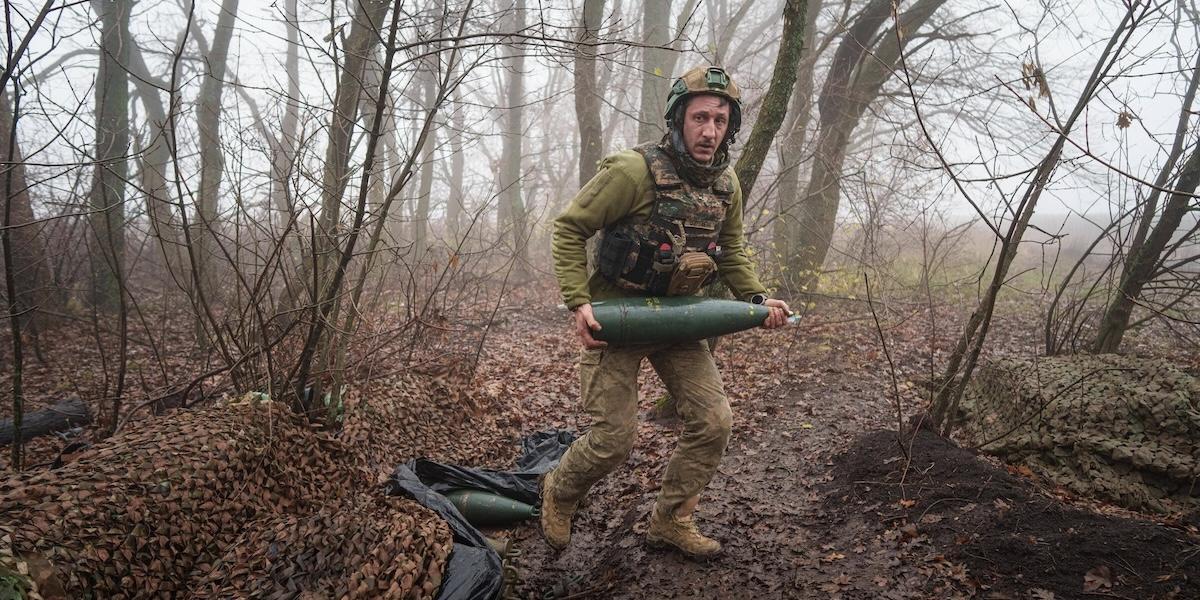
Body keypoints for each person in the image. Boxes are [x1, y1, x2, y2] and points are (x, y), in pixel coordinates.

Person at [544, 65, 790, 560]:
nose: (710, 131)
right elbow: (569, 229)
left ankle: (671, 521)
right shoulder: (632, 172)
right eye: (700, 118)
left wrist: (758, 299)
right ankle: (559, 490)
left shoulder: (725, 184)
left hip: (679, 319)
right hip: (617, 317)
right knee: (613, 440)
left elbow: (733, 248)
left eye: (721, 121)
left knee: (714, 421)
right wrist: (579, 303)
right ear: (679, 119)